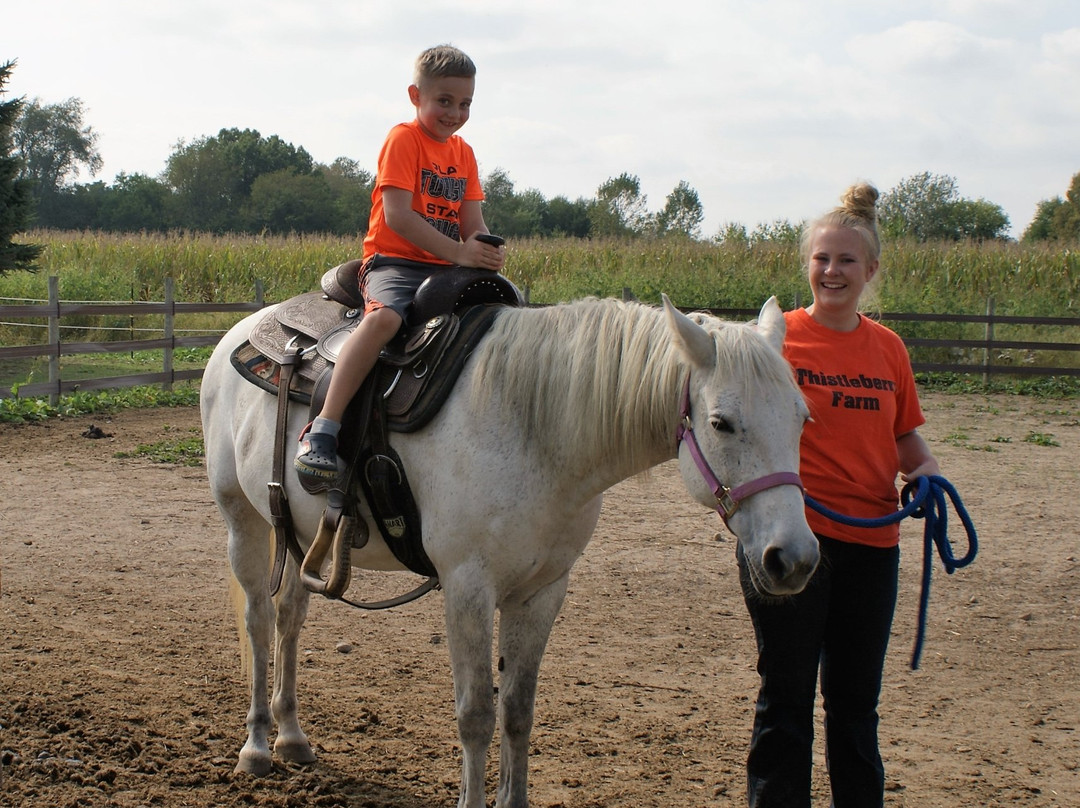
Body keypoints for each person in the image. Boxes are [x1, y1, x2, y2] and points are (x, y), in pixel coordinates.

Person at [737, 182, 941, 807]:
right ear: (808, 266)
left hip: (874, 544)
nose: (832, 270)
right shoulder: (775, 343)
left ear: (870, 270)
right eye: (822, 259)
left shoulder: (889, 350)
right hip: (793, 537)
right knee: (787, 698)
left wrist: (927, 472)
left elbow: (905, 437)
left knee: (856, 709)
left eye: (846, 260)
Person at [295, 44, 505, 480]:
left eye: (465, 103)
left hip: (447, 267)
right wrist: (460, 252)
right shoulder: (403, 139)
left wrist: (484, 248)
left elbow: (472, 220)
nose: (455, 113)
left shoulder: (464, 153)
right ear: (416, 96)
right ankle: (324, 428)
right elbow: (399, 216)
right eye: (444, 101)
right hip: (394, 262)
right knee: (385, 320)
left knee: (501, 318)